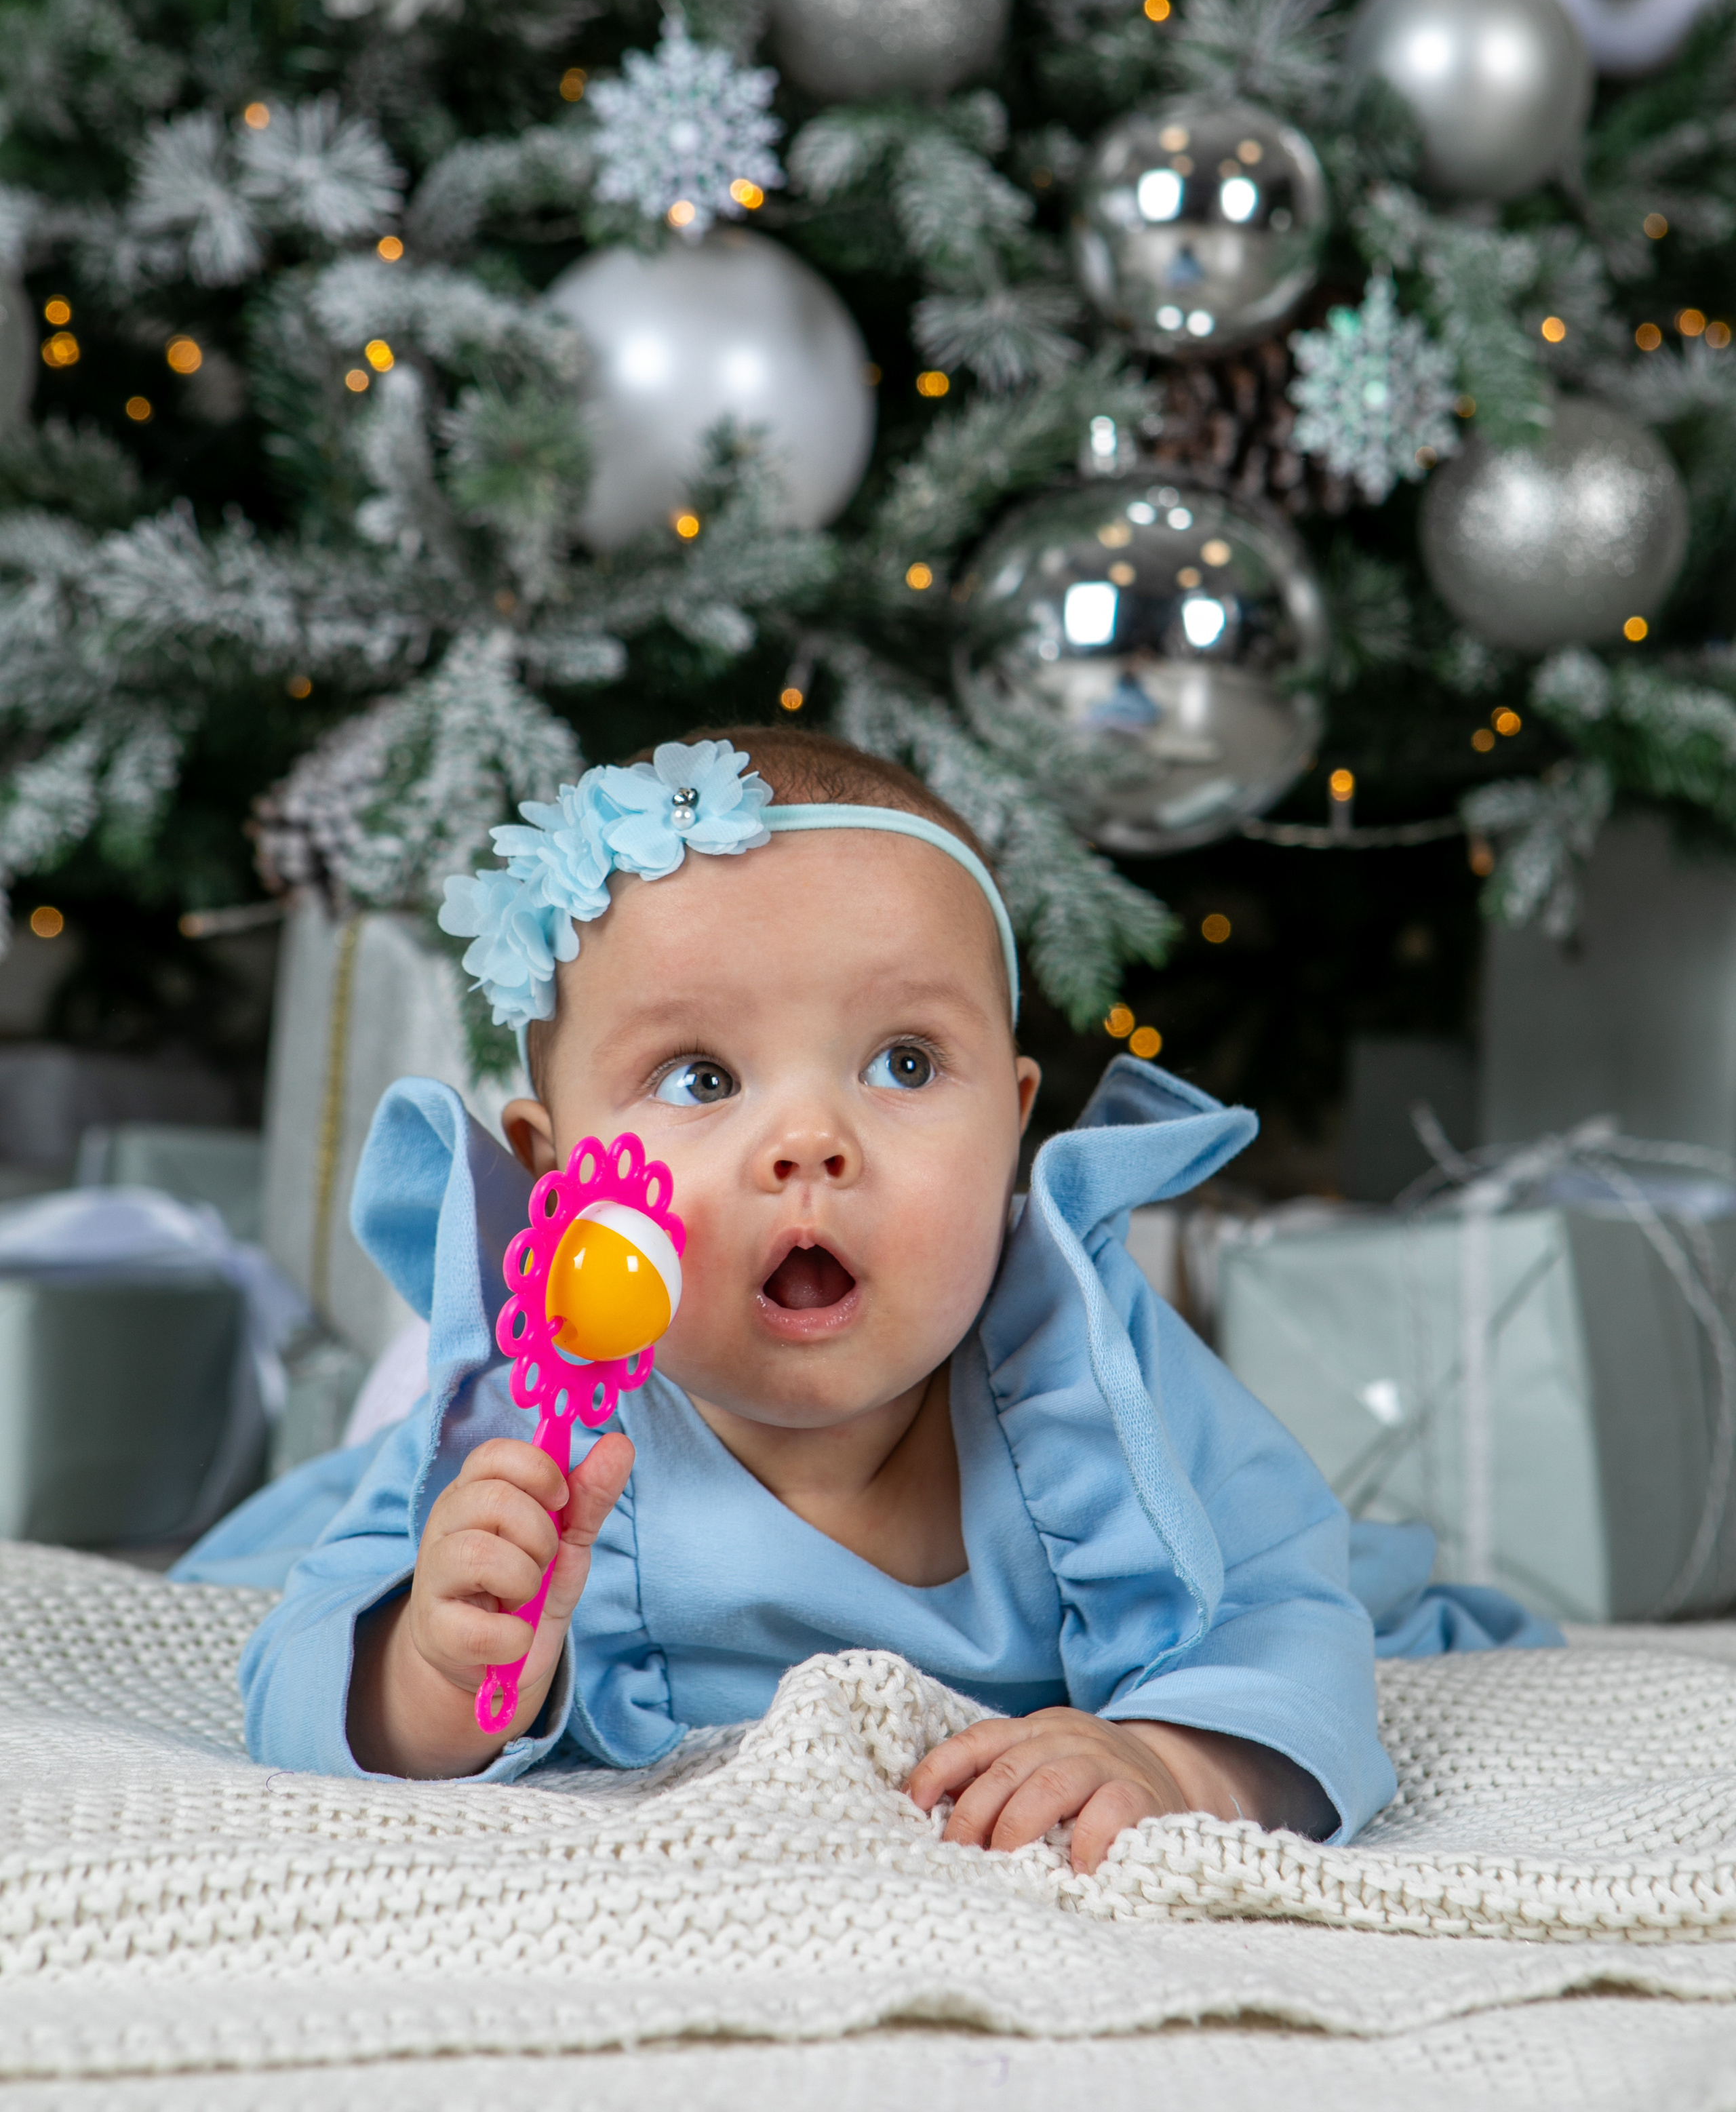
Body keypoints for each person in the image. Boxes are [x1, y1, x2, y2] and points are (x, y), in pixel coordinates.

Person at [233, 728, 1556, 1867]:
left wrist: (1172, 1765)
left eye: (905, 1063)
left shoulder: (1087, 1369)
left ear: (1014, 1128)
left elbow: (1278, 1610)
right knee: (332, 1552)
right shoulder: (531, 1426)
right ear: (554, 1173)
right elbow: (293, 1679)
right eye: (699, 1078)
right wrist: (432, 1670)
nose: (809, 1142)